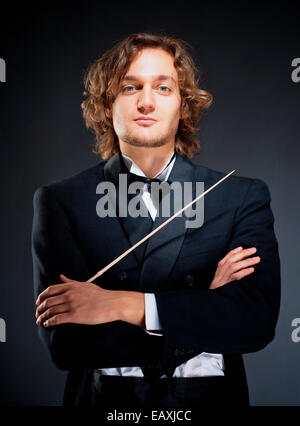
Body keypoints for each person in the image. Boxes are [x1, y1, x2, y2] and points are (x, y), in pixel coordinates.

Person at [32, 32, 281, 408]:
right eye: (130, 87)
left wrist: (120, 305)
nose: (146, 102)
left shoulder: (240, 196)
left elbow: (253, 323)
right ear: (105, 105)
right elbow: (67, 346)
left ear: (183, 105)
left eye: (163, 88)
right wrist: (204, 306)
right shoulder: (61, 201)